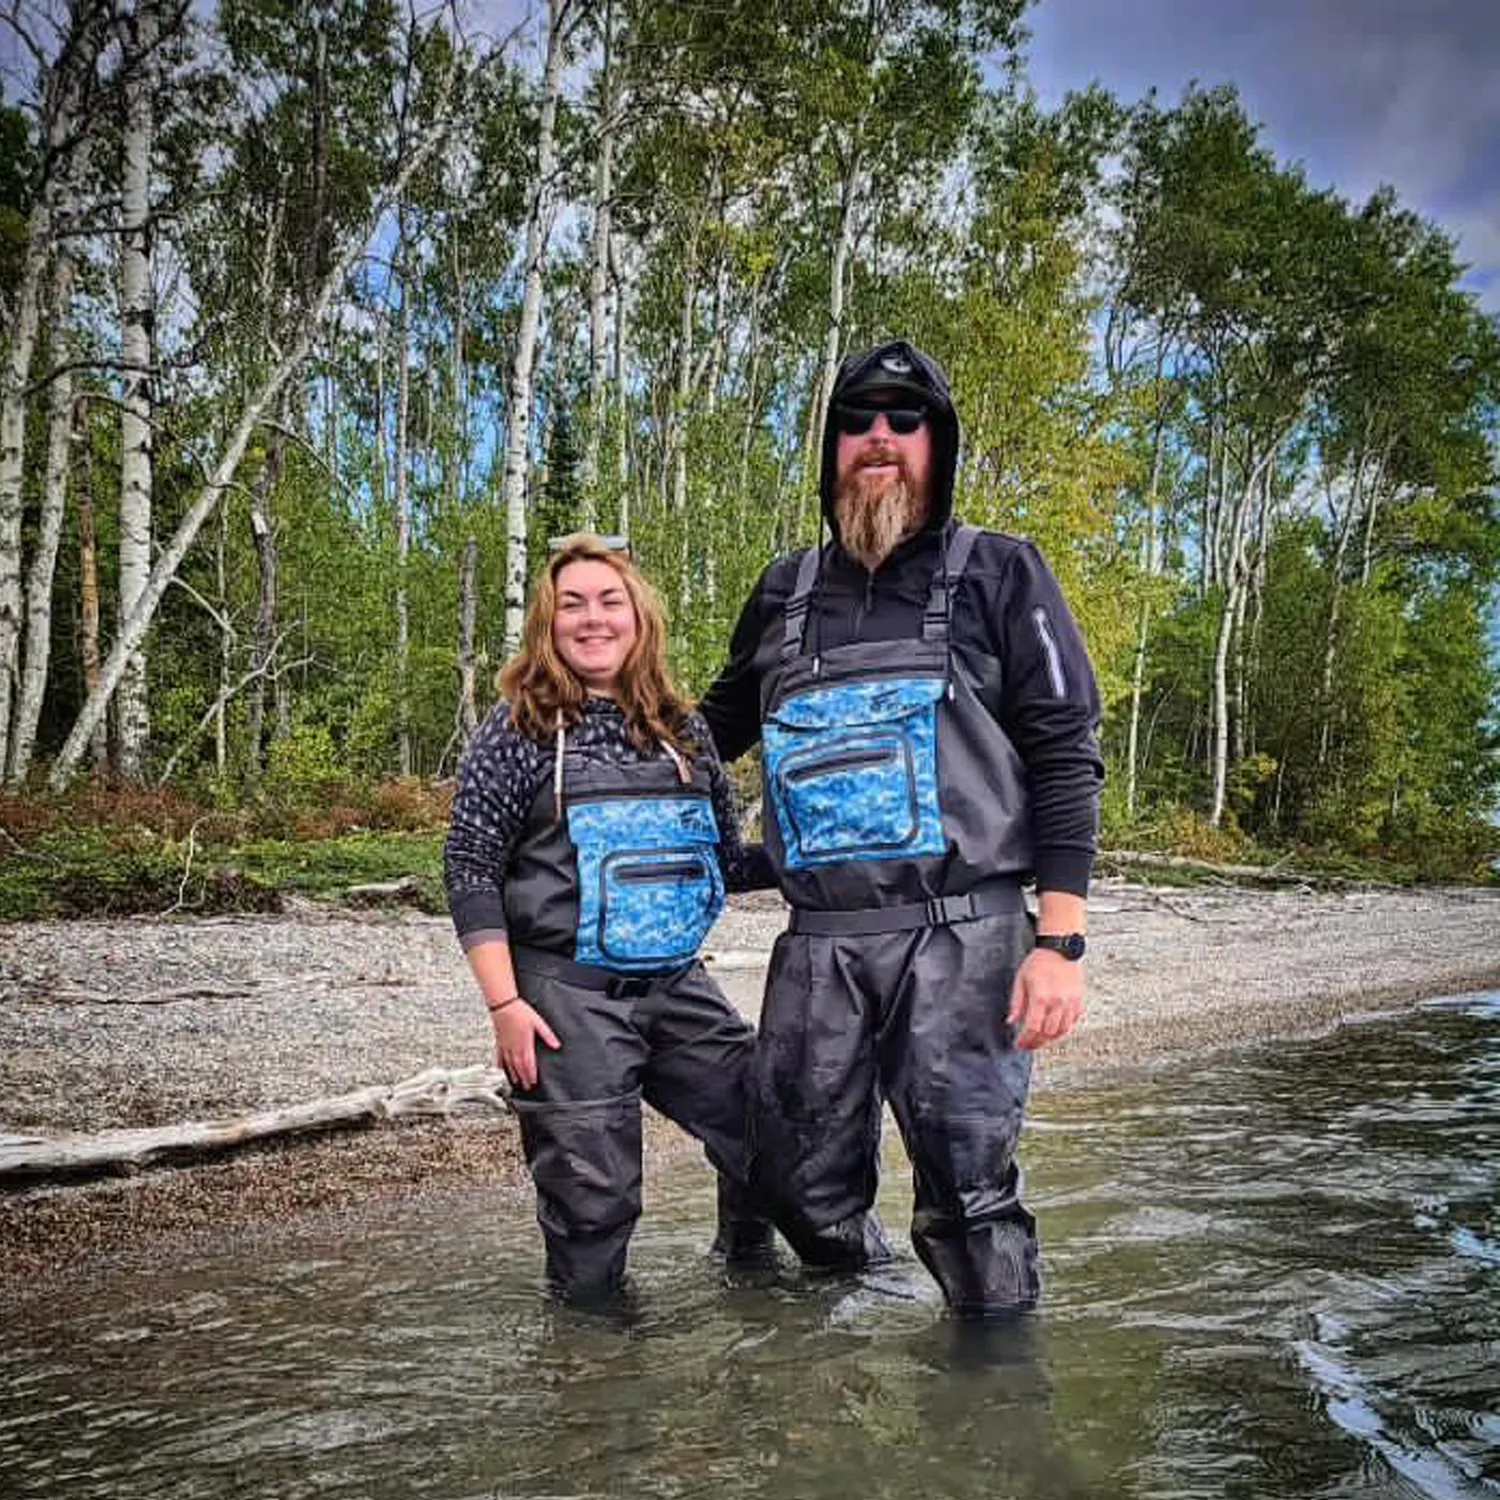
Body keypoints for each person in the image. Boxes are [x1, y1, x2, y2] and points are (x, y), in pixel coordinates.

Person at [699, 339, 1103, 1318]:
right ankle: (848, 1328)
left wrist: (1059, 943)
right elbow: (707, 734)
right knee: (789, 1178)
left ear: (938, 445)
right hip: (819, 944)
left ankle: (992, 1382)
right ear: (831, 449)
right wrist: (587, 736)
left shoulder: (1003, 573)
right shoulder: (783, 590)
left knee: (968, 1197)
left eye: (904, 420)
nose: (878, 437)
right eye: (857, 421)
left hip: (965, 937)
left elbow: (1064, 754)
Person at [444, 534, 775, 1301]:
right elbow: (469, 868)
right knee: (593, 1210)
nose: (593, 619)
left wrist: (822, 860)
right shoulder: (516, 729)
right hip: (565, 999)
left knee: (772, 1128)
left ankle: (751, 1280)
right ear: (547, 623)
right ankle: (592, 1355)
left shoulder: (685, 730)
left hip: (679, 988)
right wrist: (504, 1005)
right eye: (572, 605)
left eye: (609, 601)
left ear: (639, 617)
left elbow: (727, 863)